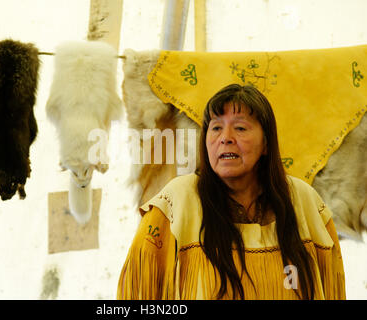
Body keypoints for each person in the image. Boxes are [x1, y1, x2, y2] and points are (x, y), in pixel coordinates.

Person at [117, 83, 346, 300]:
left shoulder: (305, 202)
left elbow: (333, 288)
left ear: (266, 143)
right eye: (216, 128)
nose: (225, 138)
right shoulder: (176, 202)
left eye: (240, 128)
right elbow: (137, 292)